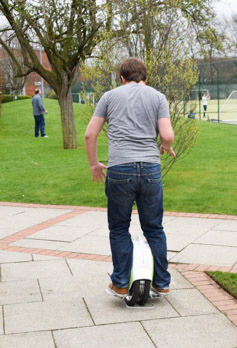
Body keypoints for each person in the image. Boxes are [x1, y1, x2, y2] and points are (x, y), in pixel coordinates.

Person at [85, 57, 175, 298]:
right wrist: (165, 145)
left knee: (118, 228)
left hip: (120, 169)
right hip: (150, 170)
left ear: (122, 78)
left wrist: (94, 164)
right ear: (145, 78)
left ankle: (121, 283)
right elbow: (167, 134)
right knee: (154, 228)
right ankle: (162, 282)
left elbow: (89, 134)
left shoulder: (109, 97)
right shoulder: (158, 97)